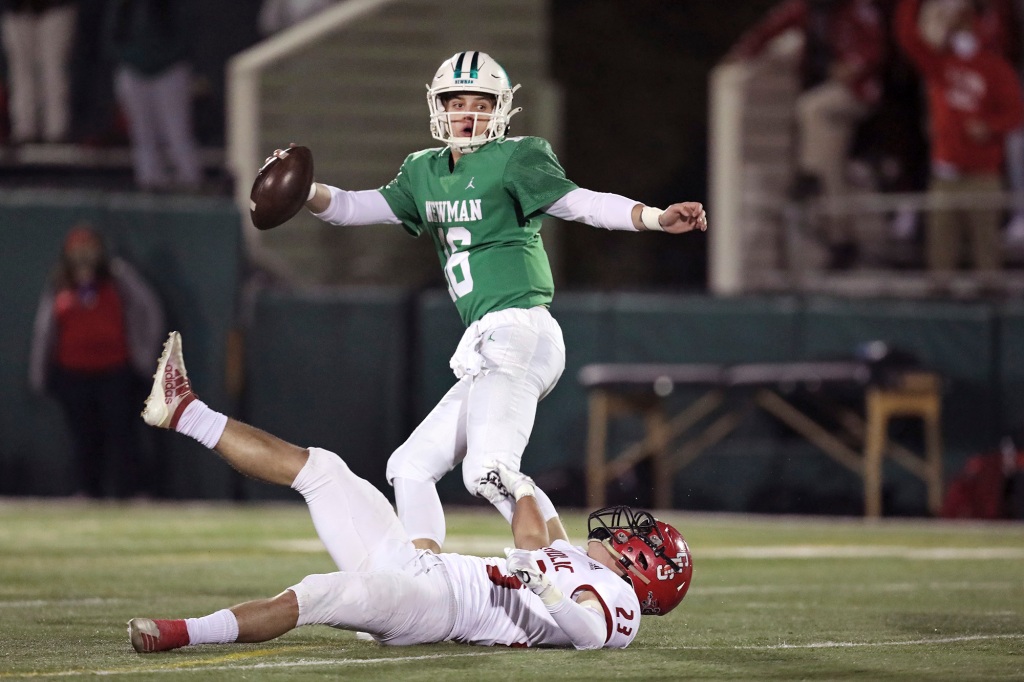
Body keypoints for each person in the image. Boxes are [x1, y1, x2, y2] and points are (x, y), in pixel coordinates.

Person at [285, 50, 707, 554]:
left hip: (519, 330)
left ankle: (567, 576)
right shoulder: (423, 169)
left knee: (487, 471)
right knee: (410, 467)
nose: (467, 113)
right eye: (456, 101)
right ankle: (426, 580)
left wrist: (655, 217)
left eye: (480, 103)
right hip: (489, 338)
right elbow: (353, 207)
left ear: (502, 108)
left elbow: (581, 204)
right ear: (437, 105)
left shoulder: (516, 156)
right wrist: (304, 190)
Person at [127, 331, 693, 652]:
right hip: (424, 568)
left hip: (438, 609)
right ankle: (185, 411)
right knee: (324, 468)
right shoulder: (573, 559)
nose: (621, 532)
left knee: (323, 592)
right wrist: (508, 471)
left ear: (642, 567)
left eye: (635, 539)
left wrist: (545, 590)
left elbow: (590, 635)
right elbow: (535, 522)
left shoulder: (616, 606)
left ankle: (182, 633)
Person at [726, 0, 887, 268]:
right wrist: (744, 52)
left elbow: (875, 49)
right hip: (825, 95)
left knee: (810, 110)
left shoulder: (858, 8)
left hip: (857, 92)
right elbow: (772, 27)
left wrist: (853, 66)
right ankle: (841, 239)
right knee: (831, 169)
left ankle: (808, 173)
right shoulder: (806, 8)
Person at [28, 224, 165, 497]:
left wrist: (145, 357)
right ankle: (87, 491)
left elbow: (149, 313)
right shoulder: (60, 284)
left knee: (123, 435)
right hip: (73, 374)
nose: (84, 256)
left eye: (89, 249)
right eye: (77, 250)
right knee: (84, 437)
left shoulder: (118, 277)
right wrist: (39, 373)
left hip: (116, 371)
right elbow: (45, 330)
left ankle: (130, 492)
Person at [895, 0, 1024, 275]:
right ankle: (941, 297)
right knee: (941, 251)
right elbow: (907, 35)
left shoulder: (994, 67)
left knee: (986, 250)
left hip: (983, 174)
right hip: (945, 174)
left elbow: (1016, 113)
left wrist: (990, 127)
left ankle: (991, 300)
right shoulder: (940, 63)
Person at [104, 0, 202, 192]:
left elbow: (186, 34)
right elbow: (111, 37)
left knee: (176, 129)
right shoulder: (123, 5)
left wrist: (161, 59)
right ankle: (149, 180)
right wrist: (134, 58)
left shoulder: (174, 6)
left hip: (170, 70)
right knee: (141, 131)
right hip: (133, 70)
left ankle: (190, 180)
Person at [0, 0, 78, 145]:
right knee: (20, 69)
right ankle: (24, 128)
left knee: (53, 67)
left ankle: (57, 129)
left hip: (55, 7)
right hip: (17, 9)